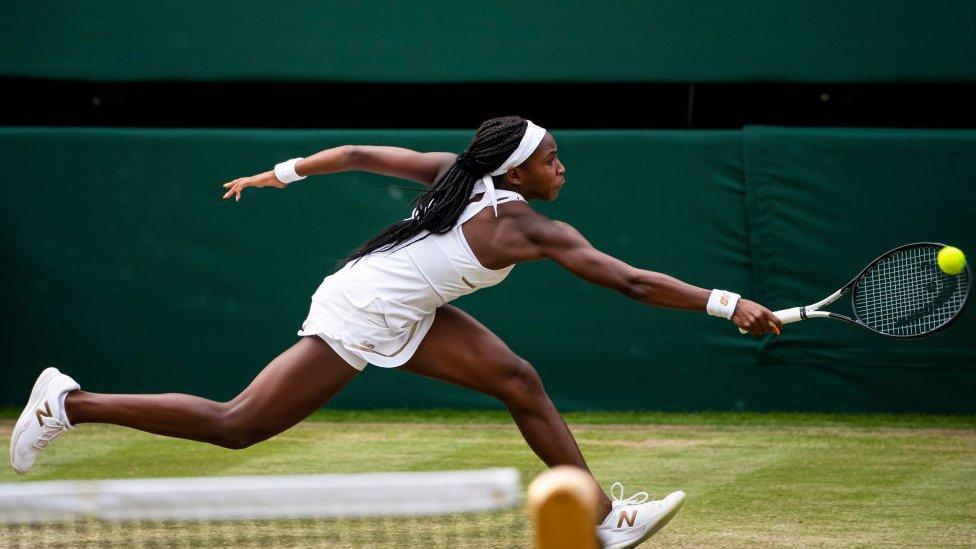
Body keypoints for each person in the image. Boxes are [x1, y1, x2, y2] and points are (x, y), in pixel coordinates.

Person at [11, 116, 781, 548]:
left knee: (519, 380)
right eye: (551, 158)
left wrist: (276, 173)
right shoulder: (525, 228)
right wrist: (727, 301)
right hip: (360, 310)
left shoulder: (460, 172)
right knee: (236, 425)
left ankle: (601, 516)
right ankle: (71, 403)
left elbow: (349, 153)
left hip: (405, 309)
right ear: (516, 174)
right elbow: (632, 281)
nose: (561, 165)